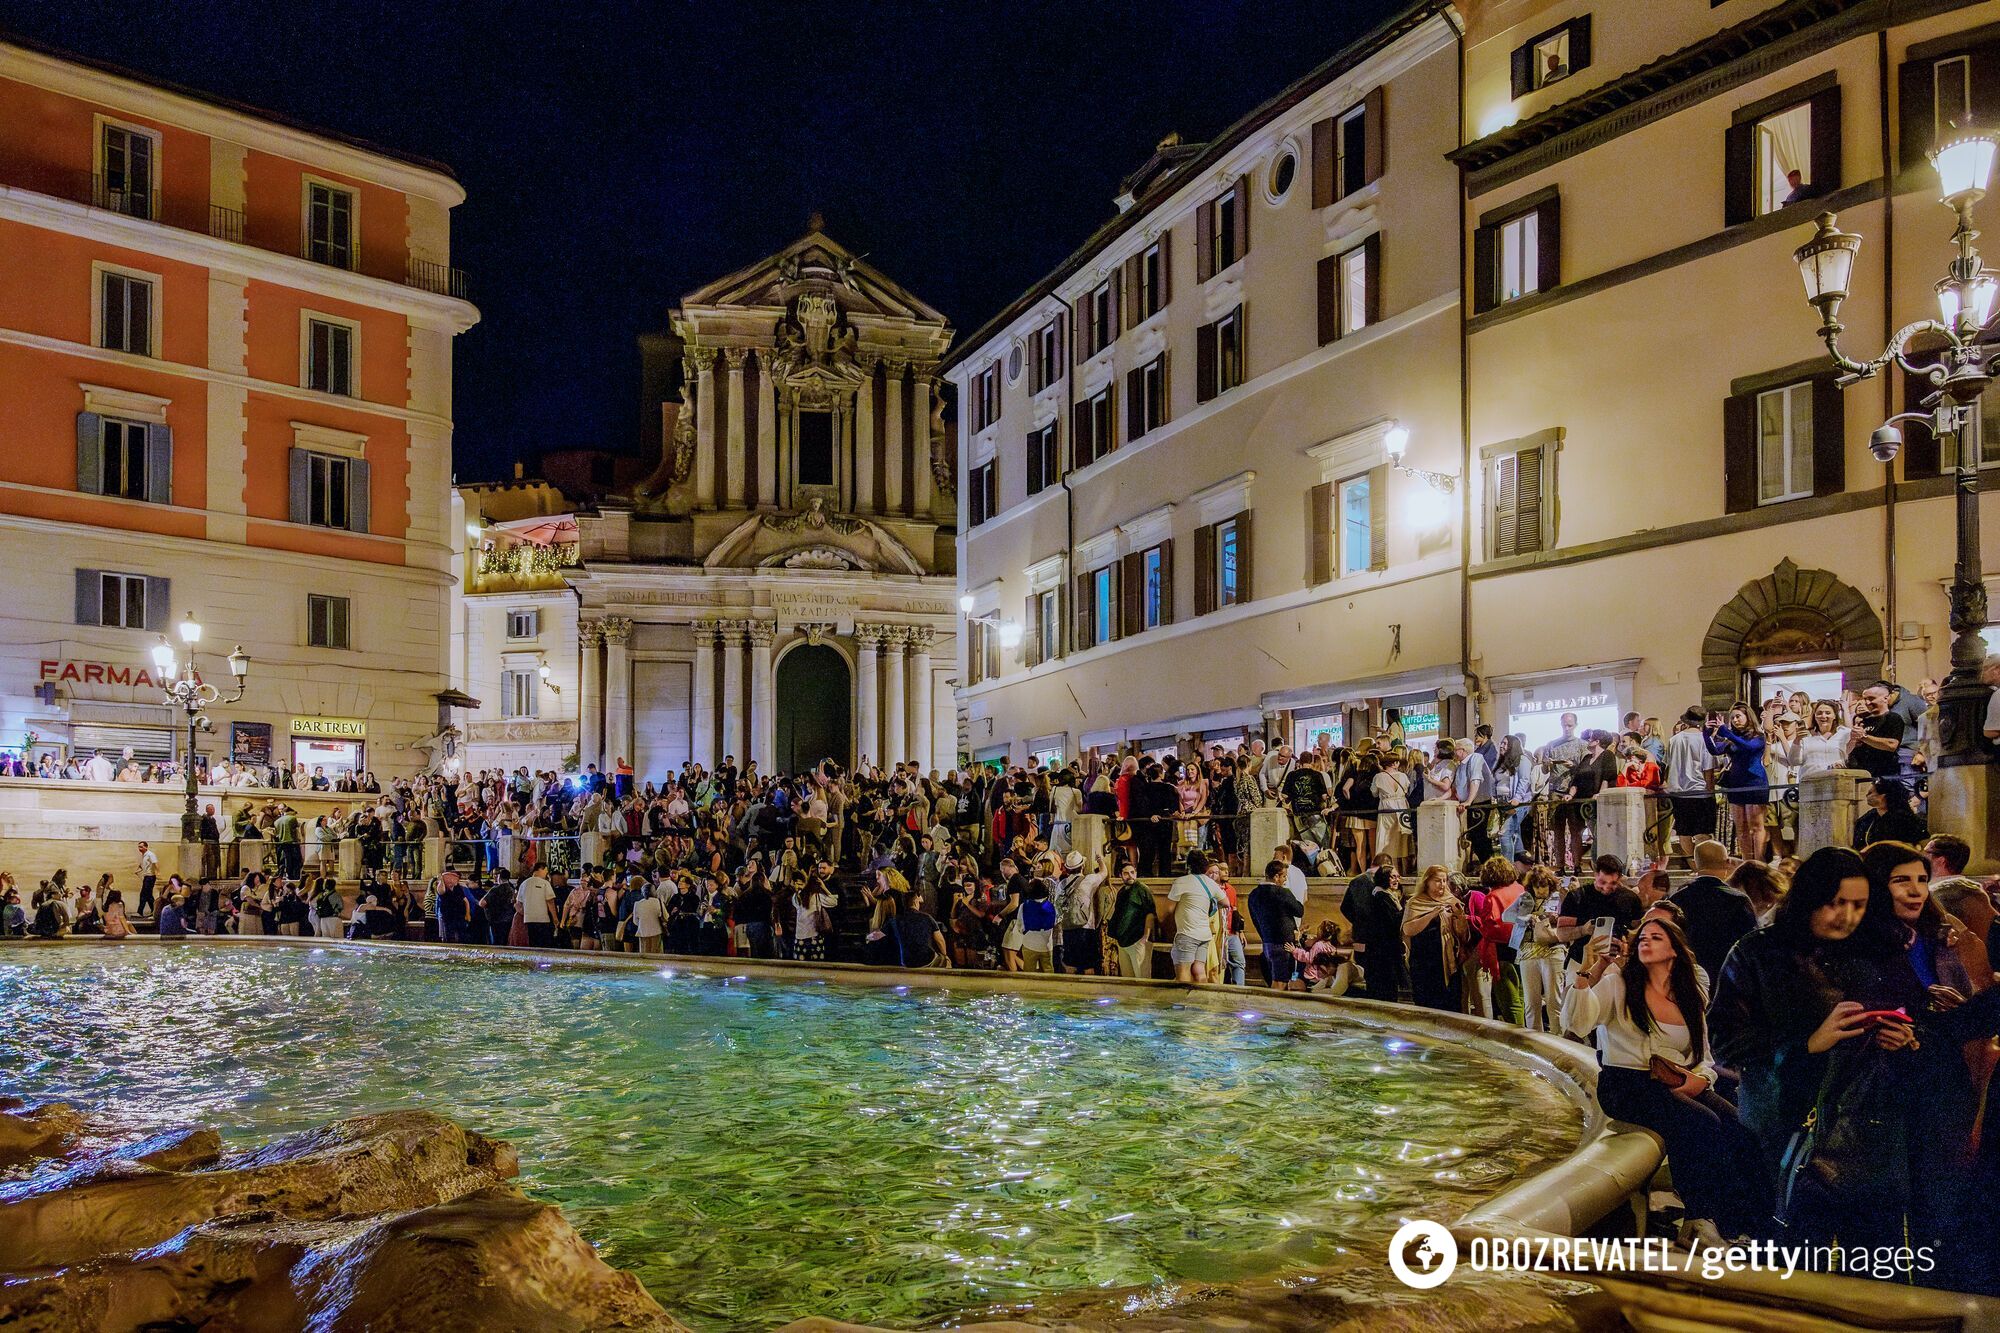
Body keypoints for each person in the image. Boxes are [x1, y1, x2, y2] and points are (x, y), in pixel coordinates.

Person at [1709, 846, 2000, 1275]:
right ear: (1809, 898)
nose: (1846, 916)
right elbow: (1725, 1040)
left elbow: (1916, 1019)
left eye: (1858, 905)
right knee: (1796, 1259)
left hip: (1874, 1127)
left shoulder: (1878, 951)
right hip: (1789, 1128)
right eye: (1836, 904)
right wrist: (1809, 1043)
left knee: (1873, 1261)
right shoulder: (1758, 953)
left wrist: (1907, 1037)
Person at [1564, 915, 1767, 1243]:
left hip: (1674, 1079)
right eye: (1642, 937)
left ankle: (1743, 1221)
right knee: (1701, 1122)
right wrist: (1590, 970)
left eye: (1656, 937)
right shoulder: (1619, 982)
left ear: (1674, 950)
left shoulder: (1689, 994)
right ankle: (1698, 1220)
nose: (1645, 941)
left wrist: (1701, 1079)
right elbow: (1578, 1022)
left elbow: (1703, 1054)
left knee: (1738, 1123)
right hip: (1627, 1084)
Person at [1669, 839, 1757, 977]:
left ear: (1695, 863)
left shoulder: (1676, 899)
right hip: (1728, 974)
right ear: (1727, 862)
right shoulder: (1738, 900)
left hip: (1688, 975)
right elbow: (1750, 942)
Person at [1704, 703, 1769, 864]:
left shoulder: (1758, 736)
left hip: (1755, 782)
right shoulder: (1732, 739)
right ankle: (1747, 861)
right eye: (1732, 717)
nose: (1735, 720)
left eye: (1738, 716)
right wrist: (1706, 734)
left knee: (1756, 826)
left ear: (1748, 717)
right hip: (1736, 783)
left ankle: (1759, 861)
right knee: (1741, 827)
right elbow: (1715, 750)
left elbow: (1748, 748)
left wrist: (1727, 733)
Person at [1402, 864, 1466, 1012]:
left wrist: (1459, 916)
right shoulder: (1416, 902)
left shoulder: (1451, 900)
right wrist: (1431, 914)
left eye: (1444, 880)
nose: (1442, 884)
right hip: (1424, 961)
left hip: (1448, 960)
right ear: (1427, 882)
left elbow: (1462, 934)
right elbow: (1407, 929)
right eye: (1438, 880)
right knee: (1427, 1004)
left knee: (1451, 1004)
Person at [1165, 849, 1223, 984]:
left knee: (1183, 972)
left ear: (1189, 865)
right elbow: (1225, 902)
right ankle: (1200, 1001)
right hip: (1204, 935)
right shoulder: (1209, 883)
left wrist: (1162, 920)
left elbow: (1168, 909)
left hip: (1187, 934)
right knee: (1199, 970)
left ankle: (1184, 1003)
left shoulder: (1181, 882)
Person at [1247, 860, 1304, 989]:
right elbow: (1299, 911)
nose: (1285, 880)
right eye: (1284, 876)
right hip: (1284, 943)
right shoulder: (1282, 893)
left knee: (1276, 977)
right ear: (1276, 876)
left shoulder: (1254, 894)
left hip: (1267, 942)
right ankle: (1275, 1007)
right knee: (1281, 982)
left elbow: (1255, 919)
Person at [1105, 859, 1157, 981]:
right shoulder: (1122, 892)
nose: (1130, 876)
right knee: (1128, 978)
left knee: (1142, 978)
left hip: (1138, 939)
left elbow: (1150, 913)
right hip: (1124, 941)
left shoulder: (1141, 889)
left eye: (1132, 872)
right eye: (1126, 873)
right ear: (1120, 875)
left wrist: (1145, 937)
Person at [1853, 778, 1926, 847]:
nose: (1866, 795)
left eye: (1870, 793)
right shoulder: (1870, 817)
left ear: (1884, 796)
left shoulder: (1904, 819)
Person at [892, 887, 950, 968]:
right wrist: (945, 956)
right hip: (927, 960)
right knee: (946, 963)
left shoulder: (896, 920)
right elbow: (940, 941)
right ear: (916, 901)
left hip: (906, 961)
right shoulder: (927, 918)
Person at [518, 866, 557, 949]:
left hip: (529, 919)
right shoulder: (545, 883)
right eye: (546, 871)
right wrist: (555, 919)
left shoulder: (524, 883)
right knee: (544, 944)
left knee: (533, 943)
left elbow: (518, 903)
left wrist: (525, 914)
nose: (546, 873)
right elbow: (550, 902)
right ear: (540, 869)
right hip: (542, 919)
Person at [629, 883, 665, 953]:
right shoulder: (658, 902)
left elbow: (635, 921)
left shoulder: (637, 904)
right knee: (657, 955)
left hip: (643, 933)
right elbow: (666, 916)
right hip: (656, 932)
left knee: (644, 955)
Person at [135, 841, 158, 917]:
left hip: (150, 877)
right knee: (147, 895)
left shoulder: (150, 854)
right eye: (139, 847)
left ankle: (141, 912)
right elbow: (143, 865)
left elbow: (155, 863)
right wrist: (138, 870)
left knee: (145, 895)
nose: (139, 849)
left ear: (146, 847)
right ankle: (154, 911)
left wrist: (158, 872)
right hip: (147, 877)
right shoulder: (144, 855)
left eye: (141, 847)